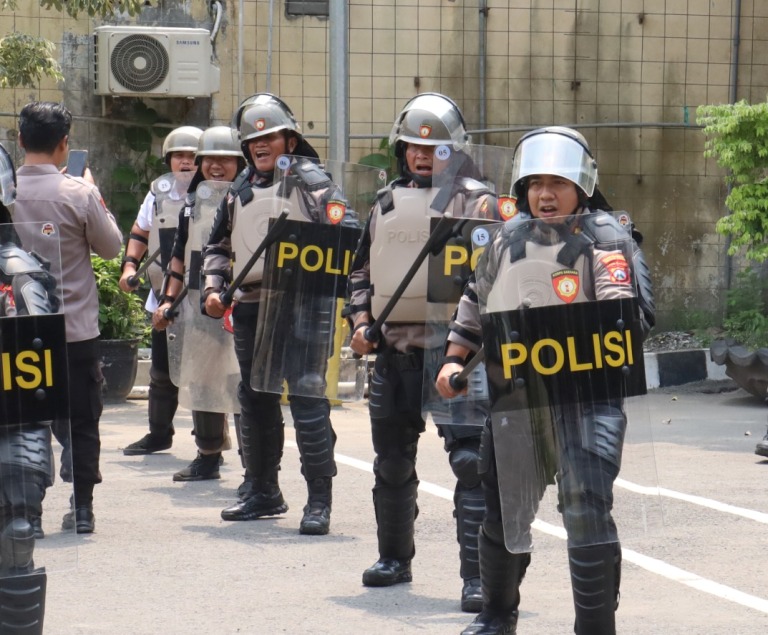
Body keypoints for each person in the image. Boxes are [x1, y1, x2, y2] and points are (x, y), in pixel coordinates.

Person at [436, 126, 655, 635]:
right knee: (502, 513)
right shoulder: (505, 241)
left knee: (586, 511)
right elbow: (475, 303)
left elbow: (632, 319)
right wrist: (453, 360)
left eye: (557, 182)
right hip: (518, 401)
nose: (545, 194)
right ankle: (496, 615)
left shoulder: (606, 241)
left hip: (588, 400)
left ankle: (595, 627)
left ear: (581, 185)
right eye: (535, 183)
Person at [346, 93, 499, 608]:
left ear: (455, 151)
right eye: (412, 146)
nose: (421, 154)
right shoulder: (385, 203)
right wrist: (360, 322)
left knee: (471, 463)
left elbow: (497, 275)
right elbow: (361, 272)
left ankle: (478, 577)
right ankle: (394, 558)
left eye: (433, 148)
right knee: (391, 463)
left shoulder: (479, 204)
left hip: (458, 356)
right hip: (397, 353)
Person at [202, 93, 339, 535]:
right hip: (251, 306)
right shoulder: (239, 190)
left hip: (303, 305)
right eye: (253, 139)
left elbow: (348, 237)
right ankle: (263, 491)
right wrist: (213, 288)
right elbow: (218, 245)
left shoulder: (315, 184)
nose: (261, 144)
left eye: (270, 137)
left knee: (308, 398)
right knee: (255, 399)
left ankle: (319, 501)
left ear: (290, 141)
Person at [14, 101, 123, 533]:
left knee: (21, 420)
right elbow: (111, 248)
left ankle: (26, 514)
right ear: (65, 143)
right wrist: (93, 192)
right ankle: (82, 509)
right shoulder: (78, 193)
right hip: (73, 331)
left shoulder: (6, 193)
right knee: (81, 419)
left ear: (20, 140)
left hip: (16, 331)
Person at [151, 125, 246, 481]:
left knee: (244, 387)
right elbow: (178, 258)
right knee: (204, 382)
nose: (217, 166)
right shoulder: (191, 205)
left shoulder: (252, 200)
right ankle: (208, 455)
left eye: (226, 159)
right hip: (199, 305)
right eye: (210, 159)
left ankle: (256, 469)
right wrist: (167, 301)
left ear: (240, 163)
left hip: (242, 305)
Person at [119, 126, 203, 474]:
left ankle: (209, 445)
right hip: (163, 294)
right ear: (169, 159)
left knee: (205, 374)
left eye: (193, 156)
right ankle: (158, 433)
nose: (186, 161)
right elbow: (141, 231)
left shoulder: (219, 193)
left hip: (204, 296)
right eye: (179, 155)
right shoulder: (159, 192)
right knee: (161, 370)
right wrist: (129, 267)